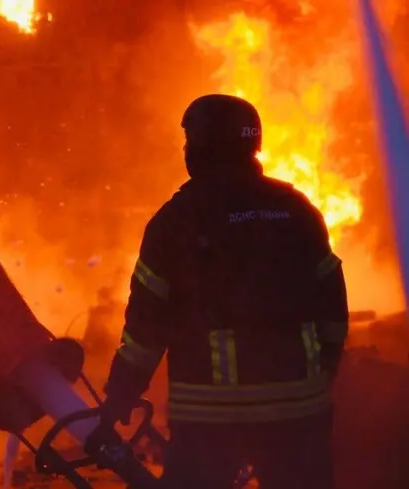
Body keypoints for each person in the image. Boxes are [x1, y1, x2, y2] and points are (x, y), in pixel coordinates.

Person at [89, 94, 349, 489]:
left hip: (208, 421)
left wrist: (121, 395)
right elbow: (332, 304)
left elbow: (145, 329)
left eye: (189, 141)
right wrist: (324, 369)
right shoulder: (297, 211)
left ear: (202, 145)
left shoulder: (176, 220)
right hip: (297, 414)